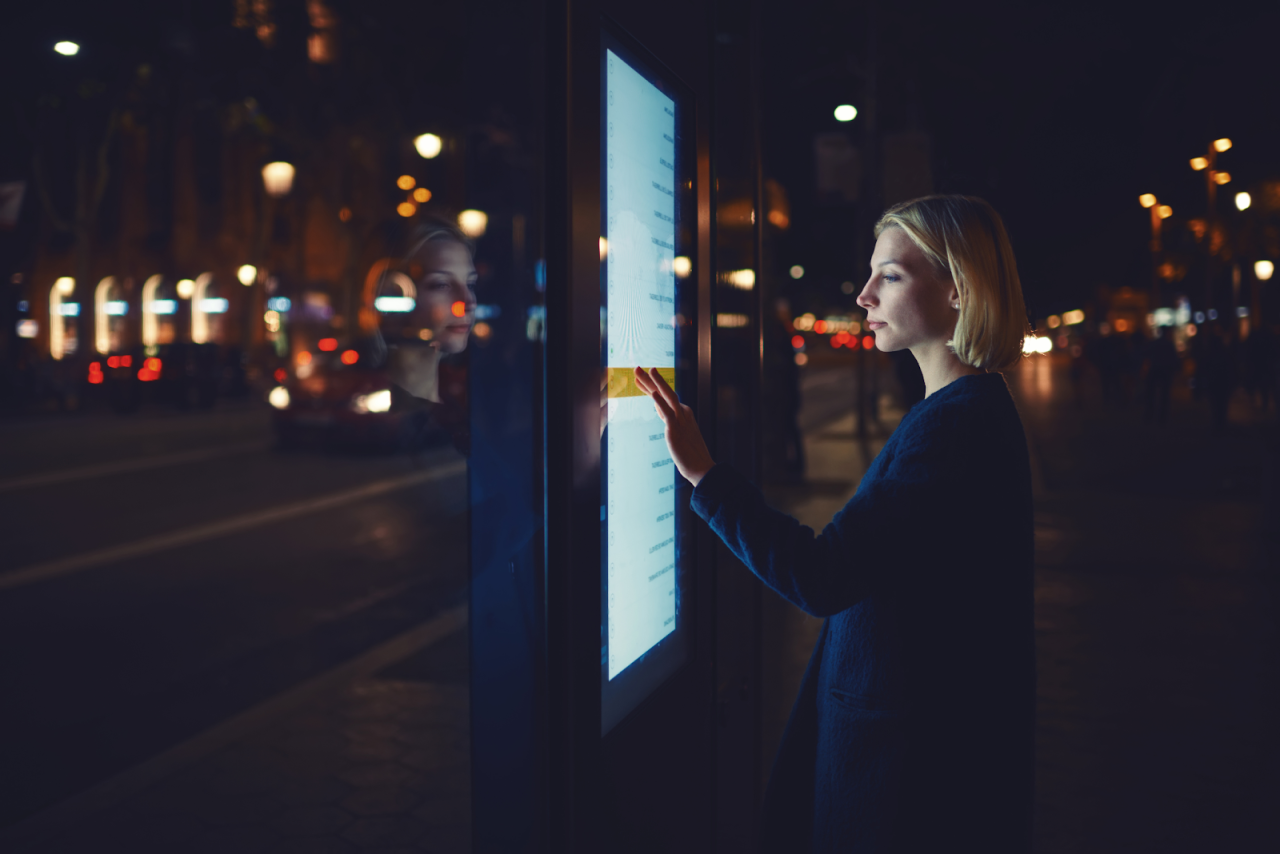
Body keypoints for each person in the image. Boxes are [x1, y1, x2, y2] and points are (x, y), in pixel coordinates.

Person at [635, 195, 1035, 852]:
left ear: (959, 290)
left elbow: (821, 576)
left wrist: (705, 475)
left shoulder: (952, 427)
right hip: (922, 751)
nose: (865, 294)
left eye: (892, 276)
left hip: (904, 773)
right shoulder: (967, 410)